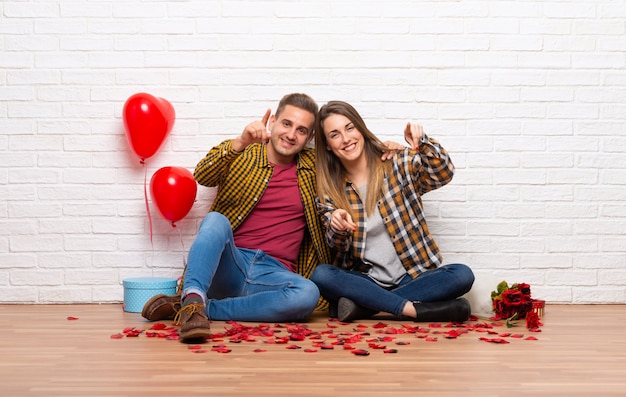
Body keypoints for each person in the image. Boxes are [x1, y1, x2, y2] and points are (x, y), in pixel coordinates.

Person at [141, 93, 331, 341]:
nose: (292, 134)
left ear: (310, 138)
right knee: (216, 220)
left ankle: (196, 308)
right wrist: (240, 141)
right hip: (231, 264)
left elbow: (352, 156)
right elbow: (203, 175)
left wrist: (389, 149)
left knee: (308, 293)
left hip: (273, 275)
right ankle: (195, 296)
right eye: (287, 124)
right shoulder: (245, 151)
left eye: (302, 130)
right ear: (272, 121)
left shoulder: (314, 166)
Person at [310, 100, 475, 323]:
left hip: (414, 277)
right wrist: (337, 226)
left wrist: (422, 142)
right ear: (328, 145)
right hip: (367, 281)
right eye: (335, 134)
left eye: (350, 128)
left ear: (360, 128)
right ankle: (413, 310)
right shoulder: (330, 189)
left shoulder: (396, 162)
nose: (346, 138)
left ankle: (365, 308)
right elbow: (338, 245)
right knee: (321, 275)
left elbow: (443, 173)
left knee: (462, 275)